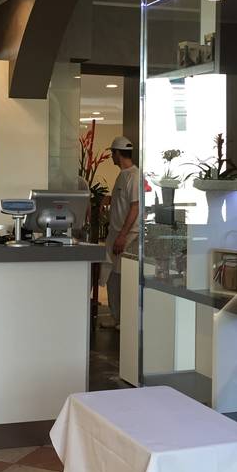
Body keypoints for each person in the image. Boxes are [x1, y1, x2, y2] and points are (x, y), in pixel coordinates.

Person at [102, 135, 140, 329]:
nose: (111, 157)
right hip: (115, 235)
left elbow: (135, 207)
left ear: (118, 153)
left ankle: (124, 321)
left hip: (126, 237)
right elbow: (125, 202)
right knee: (113, 279)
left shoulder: (134, 176)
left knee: (122, 279)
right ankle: (116, 317)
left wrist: (123, 236)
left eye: (112, 153)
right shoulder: (123, 175)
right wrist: (110, 199)